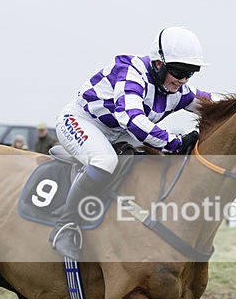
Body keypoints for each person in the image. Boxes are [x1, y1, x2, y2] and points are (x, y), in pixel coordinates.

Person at [50, 27, 211, 259]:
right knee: (104, 161)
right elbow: (133, 120)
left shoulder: (176, 88)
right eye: (178, 71)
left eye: (190, 73)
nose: (183, 80)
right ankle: (64, 226)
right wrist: (175, 142)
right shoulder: (131, 71)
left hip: (119, 132)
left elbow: (215, 105)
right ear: (158, 63)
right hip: (82, 121)